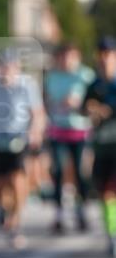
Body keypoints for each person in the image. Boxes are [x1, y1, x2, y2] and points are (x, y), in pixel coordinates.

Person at [0, 49, 46, 249]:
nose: (7, 70)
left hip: (18, 139)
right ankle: (2, 209)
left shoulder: (27, 86)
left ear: (17, 67)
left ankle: (15, 224)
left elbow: (38, 113)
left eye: (11, 66)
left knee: (17, 180)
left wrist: (35, 132)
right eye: (4, 66)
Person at [44, 42, 94, 233]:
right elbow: (47, 100)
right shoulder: (52, 77)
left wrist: (80, 104)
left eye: (70, 56)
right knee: (57, 170)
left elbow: (94, 98)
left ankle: (82, 212)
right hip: (58, 129)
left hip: (80, 130)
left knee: (81, 172)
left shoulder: (86, 75)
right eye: (63, 57)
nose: (66, 61)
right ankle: (59, 214)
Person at [83, 36, 116, 258]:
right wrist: (90, 110)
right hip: (102, 146)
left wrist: (106, 110)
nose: (105, 59)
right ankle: (111, 235)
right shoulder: (94, 85)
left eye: (109, 54)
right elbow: (85, 109)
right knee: (104, 193)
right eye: (101, 54)